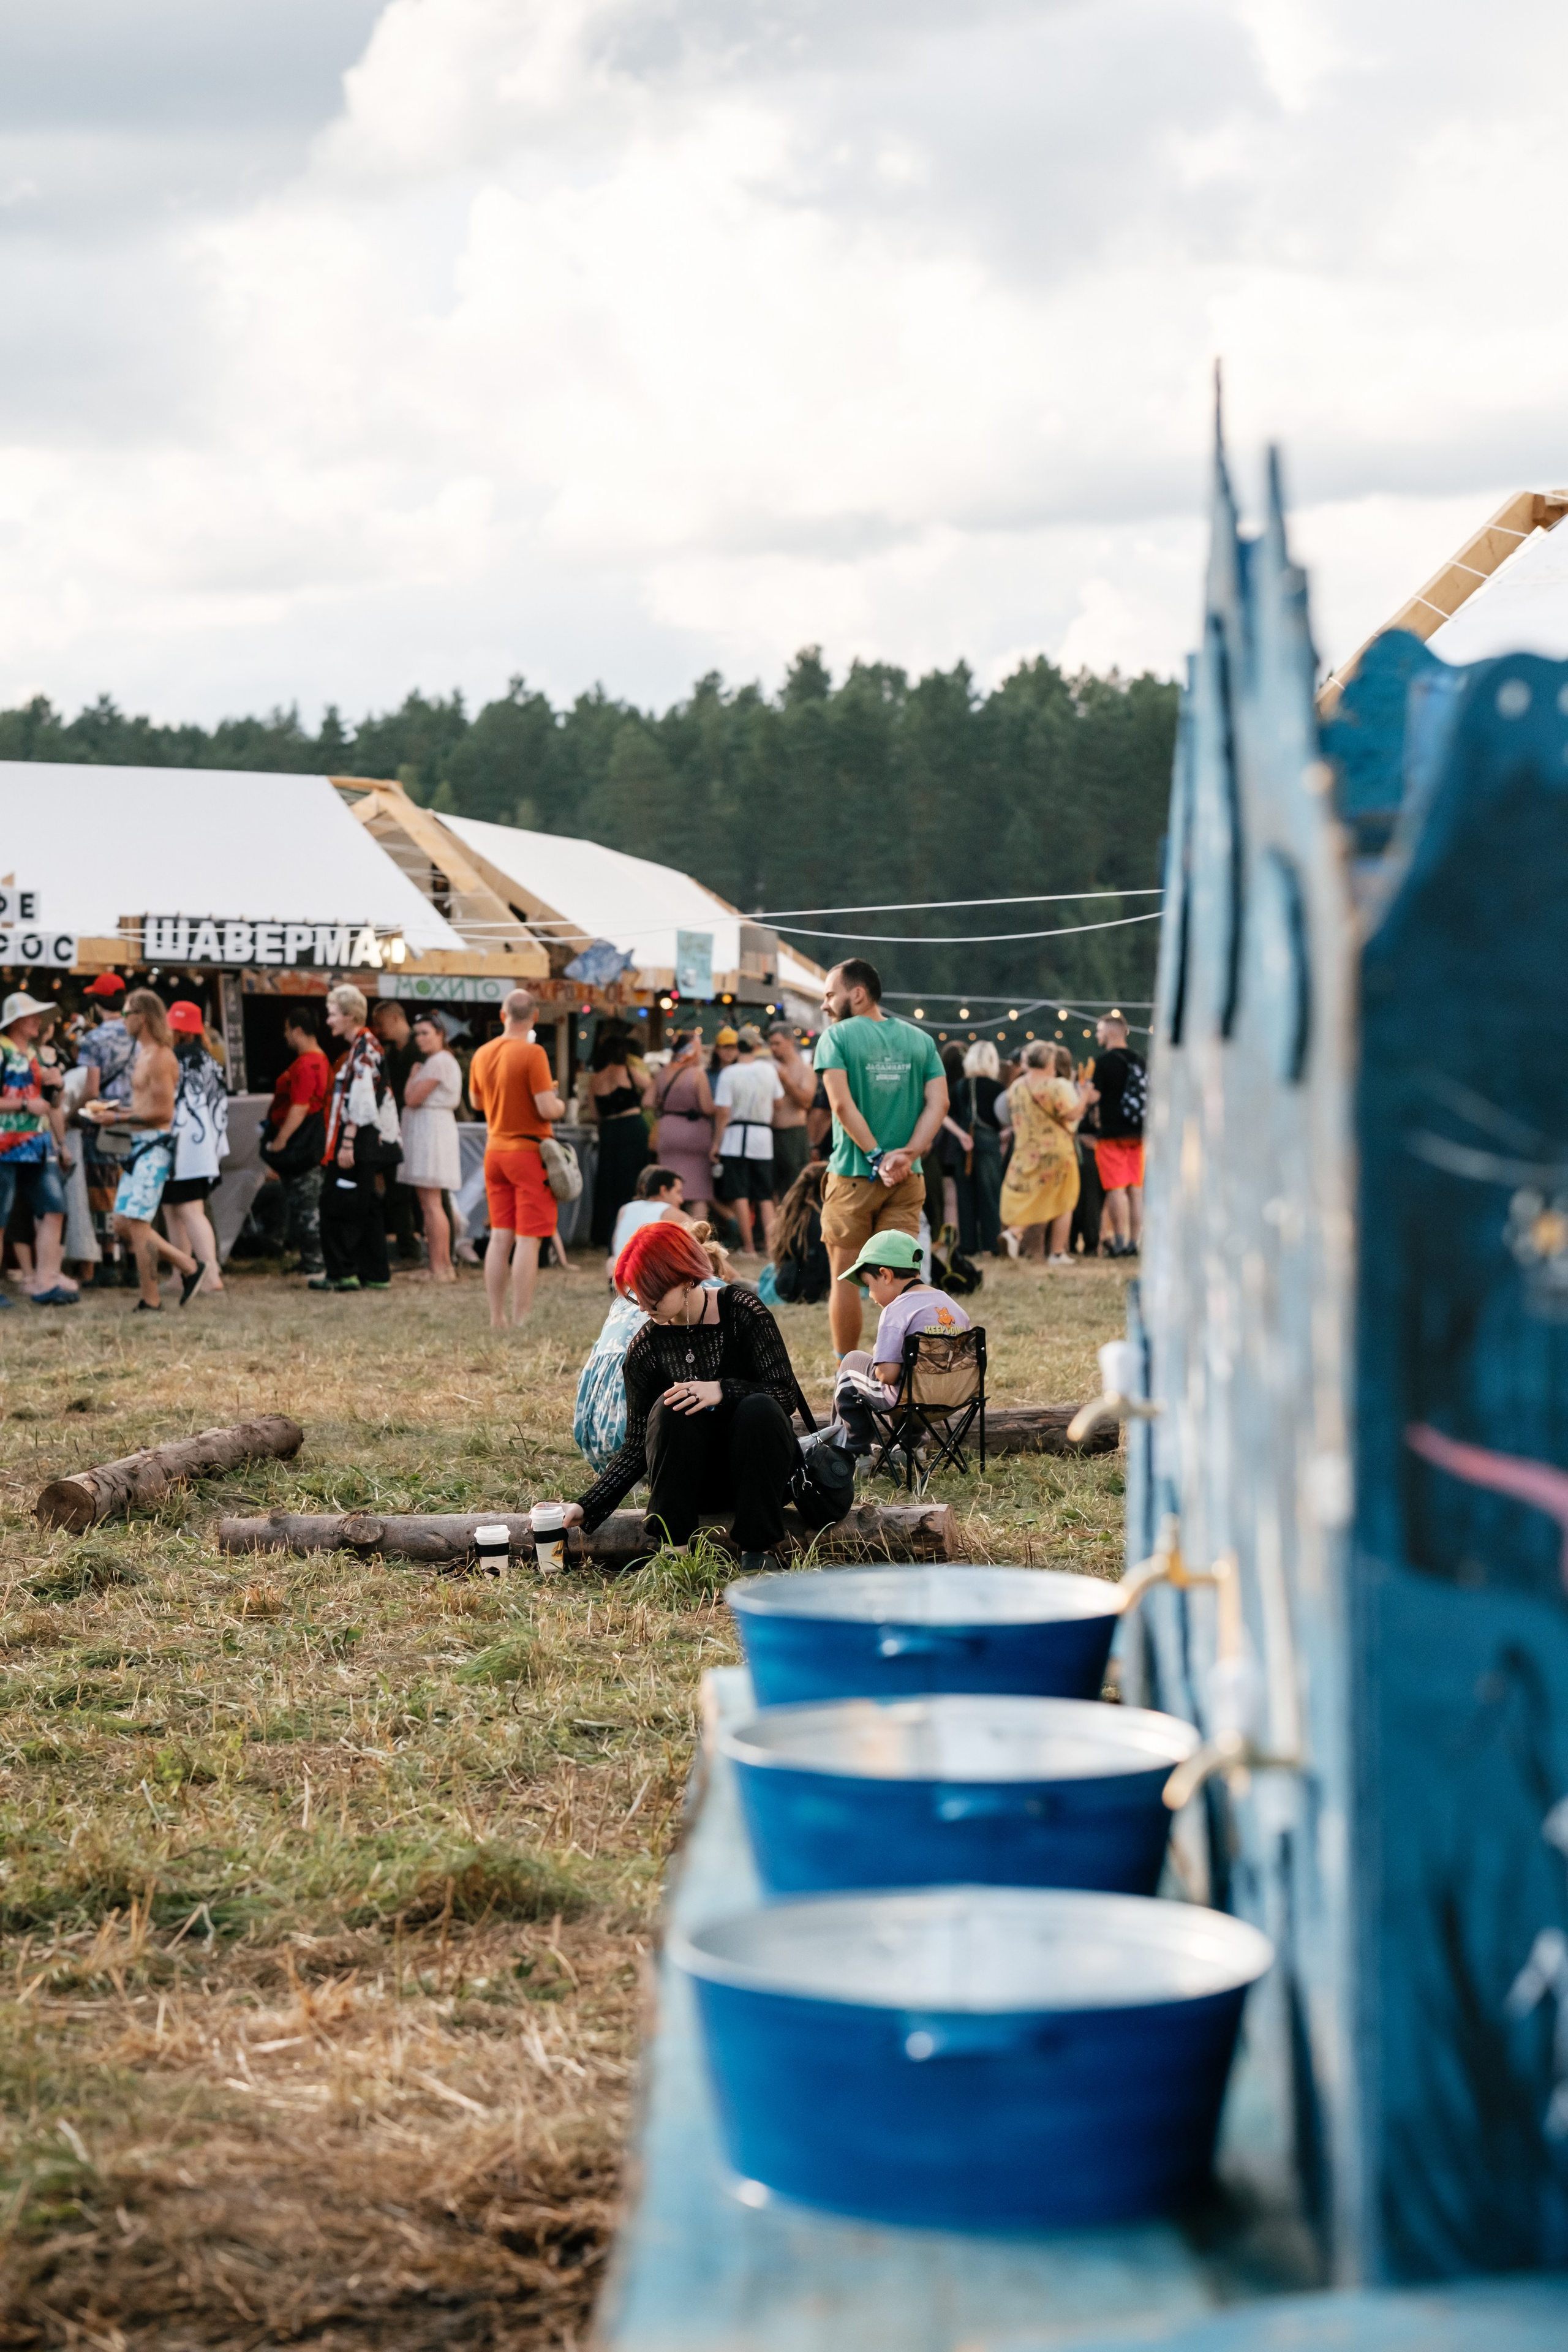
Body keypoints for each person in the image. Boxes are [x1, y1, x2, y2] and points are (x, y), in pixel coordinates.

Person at [554, 1222, 802, 1570]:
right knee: (669, 1409)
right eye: (637, 1296)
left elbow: (785, 1393)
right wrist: (587, 1506)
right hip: (694, 1486)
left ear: (686, 1278)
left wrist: (722, 1389)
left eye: (652, 1297)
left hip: (760, 1479)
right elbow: (639, 1444)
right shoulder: (646, 1347)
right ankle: (676, 1554)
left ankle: (757, 1552)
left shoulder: (743, 1312)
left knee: (759, 1407)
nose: (644, 1307)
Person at [813, 958, 948, 1359]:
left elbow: (840, 1105)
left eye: (829, 994)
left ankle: (847, 1368)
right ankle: (903, 1366)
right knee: (903, 1279)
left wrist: (875, 1157)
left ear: (856, 994)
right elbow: (939, 1104)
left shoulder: (835, 1039)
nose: (825, 1005)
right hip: (908, 1180)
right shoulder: (920, 1040)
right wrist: (908, 1155)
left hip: (853, 1175)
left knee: (846, 1279)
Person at [83, 989, 203, 1310]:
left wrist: (118, 1116)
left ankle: (152, 1298)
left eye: (126, 1014)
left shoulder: (162, 1057)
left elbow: (164, 1113)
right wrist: (117, 1114)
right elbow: (148, 1105)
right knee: (123, 1223)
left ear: (143, 1017)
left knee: (136, 1224)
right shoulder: (146, 1055)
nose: (122, 1020)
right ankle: (188, 1267)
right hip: (139, 1145)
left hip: (153, 1146)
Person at [467, 987, 567, 1327]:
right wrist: (561, 1104)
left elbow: (478, 1103)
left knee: (500, 1236)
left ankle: (497, 1318)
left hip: (495, 1152)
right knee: (528, 1240)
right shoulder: (533, 1053)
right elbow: (546, 1108)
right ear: (535, 1016)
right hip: (528, 1153)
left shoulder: (482, 1053)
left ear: (502, 1015)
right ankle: (521, 1318)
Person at [830, 1229, 973, 1453]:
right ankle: (910, 1448)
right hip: (955, 1398)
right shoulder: (952, 1305)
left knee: (850, 1367)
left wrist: (881, 1356)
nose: (870, 1296)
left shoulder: (896, 1311)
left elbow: (887, 1376)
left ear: (885, 1275)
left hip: (910, 1401)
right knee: (913, 1374)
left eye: (869, 1285)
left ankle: (852, 1452)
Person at [0, 990, 79, 1306]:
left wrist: (56, 1086)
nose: (40, 1022)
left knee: (54, 1208)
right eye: (34, 1016)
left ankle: (45, 1281)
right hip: (6, 1146)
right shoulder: (3, 1051)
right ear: (17, 1021)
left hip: (36, 1144)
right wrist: (23, 1104)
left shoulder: (33, 1055)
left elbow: (50, 1105)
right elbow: (31, 1104)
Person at [315, 983, 396, 1294]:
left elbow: (362, 1100)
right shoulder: (366, 1047)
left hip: (358, 1143)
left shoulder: (364, 1049)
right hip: (367, 1142)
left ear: (349, 1016)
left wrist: (346, 1143)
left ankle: (343, 1272)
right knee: (367, 1206)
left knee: (337, 1205)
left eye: (333, 1014)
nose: (329, 1021)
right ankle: (375, 1273)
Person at [163, 1000, 229, 1295]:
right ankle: (183, 1273)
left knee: (187, 1211)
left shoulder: (173, 1061)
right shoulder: (211, 1062)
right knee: (178, 1210)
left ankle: (210, 1273)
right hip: (203, 1148)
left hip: (181, 1148)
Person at [261, 1008, 331, 1279]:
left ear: (298, 1031)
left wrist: (281, 1140)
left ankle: (315, 1263)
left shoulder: (306, 1064)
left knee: (307, 1206)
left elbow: (300, 1106)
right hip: (313, 1143)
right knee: (307, 1204)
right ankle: (310, 1260)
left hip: (303, 1146)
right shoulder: (321, 1061)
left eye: (287, 1030)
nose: (285, 1036)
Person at [1000, 1042, 1084, 1265]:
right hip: (1058, 1151)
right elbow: (1072, 1114)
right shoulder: (1056, 1086)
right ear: (1049, 1062)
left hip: (1025, 1152)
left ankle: (1014, 1233)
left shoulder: (1016, 1086)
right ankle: (1057, 1253)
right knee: (1064, 1201)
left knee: (1034, 1197)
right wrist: (1086, 1096)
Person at [398, 1012, 464, 1282]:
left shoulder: (439, 1062)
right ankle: (441, 1264)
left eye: (426, 1032)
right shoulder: (437, 1061)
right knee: (430, 1202)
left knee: (432, 1203)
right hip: (431, 1131)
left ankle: (440, 1266)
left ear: (440, 1034)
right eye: (417, 1034)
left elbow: (412, 1098)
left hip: (432, 1134)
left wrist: (413, 1074)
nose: (420, 1038)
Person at [712, 1023, 784, 1257]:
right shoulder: (768, 1070)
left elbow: (723, 1112)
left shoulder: (729, 1073)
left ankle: (749, 1247)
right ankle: (773, 1247)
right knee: (765, 1195)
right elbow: (779, 1102)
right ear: (755, 1046)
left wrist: (716, 1143)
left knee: (740, 1194)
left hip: (735, 1137)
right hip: (762, 1137)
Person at [1085, 1014, 1147, 1258]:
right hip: (1138, 1134)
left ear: (1111, 1033)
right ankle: (1135, 1243)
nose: (1098, 1036)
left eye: (1100, 1031)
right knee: (1136, 1190)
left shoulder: (1104, 1062)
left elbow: (1095, 1097)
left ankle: (1119, 1242)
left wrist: (1083, 1093)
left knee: (1116, 1189)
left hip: (1111, 1134)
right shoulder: (1139, 1060)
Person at [586, 1030, 654, 1250]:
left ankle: (606, 1232)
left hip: (609, 1130)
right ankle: (635, 1228)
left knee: (608, 1182)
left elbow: (595, 1115)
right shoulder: (628, 1070)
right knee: (633, 1178)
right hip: (632, 1126)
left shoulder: (594, 1079)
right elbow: (652, 1089)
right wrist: (642, 1103)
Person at [369, 1000, 424, 1265]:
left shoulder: (421, 1049)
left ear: (394, 1018)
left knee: (429, 1191)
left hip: (421, 1126)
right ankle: (407, 1249)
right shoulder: (389, 1056)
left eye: (380, 1023)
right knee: (397, 1190)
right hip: (395, 1128)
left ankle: (440, 1249)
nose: (378, 1030)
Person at [650, 1030, 716, 1221]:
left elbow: (647, 1100)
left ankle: (667, 1232)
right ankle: (698, 1239)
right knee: (698, 1190)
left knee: (668, 1186)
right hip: (694, 1133)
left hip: (668, 1130)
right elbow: (707, 1107)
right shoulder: (697, 1074)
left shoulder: (662, 1073)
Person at [956, 1041, 1006, 1256]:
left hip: (964, 1142)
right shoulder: (997, 1088)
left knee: (965, 1195)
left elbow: (946, 1116)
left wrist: (961, 1134)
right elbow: (1005, 1119)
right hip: (989, 1141)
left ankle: (968, 1245)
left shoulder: (960, 1086)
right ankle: (991, 1245)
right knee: (990, 1195)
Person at [769, 1159, 831, 1304]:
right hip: (823, 1287)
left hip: (789, 1287)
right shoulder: (830, 1214)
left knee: (769, 1271)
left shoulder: (793, 1212)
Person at [607, 1164, 690, 1273]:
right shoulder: (670, 1213)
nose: (681, 1200)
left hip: (620, 1274)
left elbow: (615, 1246)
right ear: (663, 1190)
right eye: (678, 1192)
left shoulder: (625, 1209)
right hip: (651, 1278)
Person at [767, 1021, 815, 1199]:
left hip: (794, 1135)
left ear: (790, 1042)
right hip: (770, 1134)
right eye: (771, 1044)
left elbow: (806, 1102)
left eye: (777, 1044)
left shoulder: (804, 1069)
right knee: (770, 1189)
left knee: (796, 1189)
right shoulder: (769, 1068)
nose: (773, 1048)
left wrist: (786, 1081)